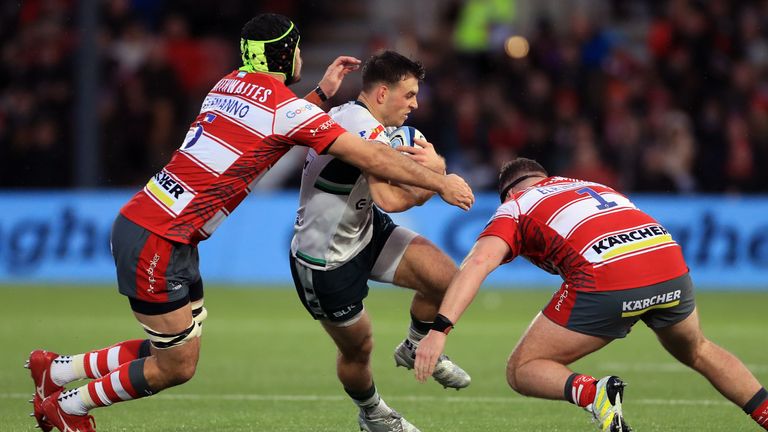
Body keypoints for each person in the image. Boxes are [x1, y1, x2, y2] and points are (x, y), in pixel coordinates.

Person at [26, 14, 475, 432]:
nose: (301, 55)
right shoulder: (285, 109)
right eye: (296, 48)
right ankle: (68, 407)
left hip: (158, 225)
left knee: (175, 350)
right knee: (177, 365)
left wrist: (318, 97)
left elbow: (268, 132)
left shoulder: (227, 83)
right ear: (285, 55)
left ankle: (58, 370)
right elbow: (369, 155)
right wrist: (440, 180)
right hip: (157, 239)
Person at [414, 157, 768, 432]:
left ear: (508, 192)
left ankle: (594, 392)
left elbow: (477, 263)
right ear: (545, 177)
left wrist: (439, 329)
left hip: (609, 276)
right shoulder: (592, 186)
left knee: (522, 369)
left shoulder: (516, 207)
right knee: (699, 349)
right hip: (668, 262)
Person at [289, 50, 471, 432]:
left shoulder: (381, 128)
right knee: (358, 349)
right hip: (325, 261)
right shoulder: (356, 125)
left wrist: (431, 171)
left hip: (365, 229)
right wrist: (438, 182)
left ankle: (416, 345)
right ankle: (373, 413)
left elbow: (392, 190)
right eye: (409, 95)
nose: (415, 104)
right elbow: (391, 199)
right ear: (382, 93)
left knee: (445, 280)